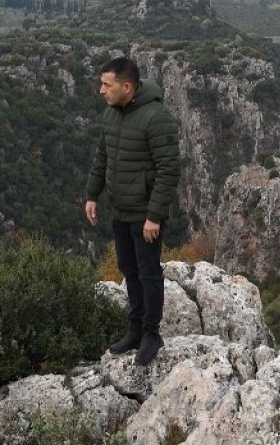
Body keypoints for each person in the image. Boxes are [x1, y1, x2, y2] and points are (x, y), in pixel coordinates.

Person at [84, 56, 181, 365]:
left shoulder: (156, 118)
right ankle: (135, 329)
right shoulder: (111, 115)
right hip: (120, 210)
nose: (101, 91)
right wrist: (92, 194)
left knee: (148, 273)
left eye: (106, 85)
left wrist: (154, 216)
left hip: (144, 214)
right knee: (128, 268)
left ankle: (152, 333)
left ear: (127, 87)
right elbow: (102, 156)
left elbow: (169, 170)